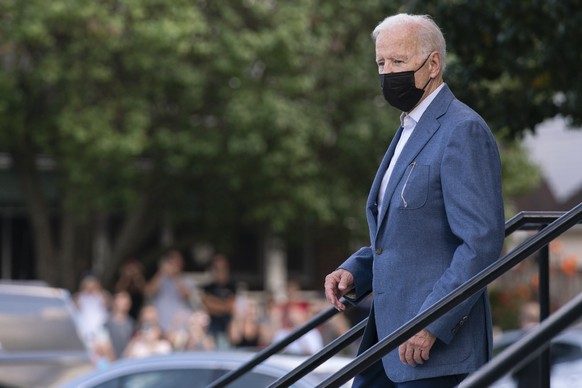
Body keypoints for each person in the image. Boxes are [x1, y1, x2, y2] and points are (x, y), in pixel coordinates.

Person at [324, 13, 505, 388]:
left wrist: (434, 323)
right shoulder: (409, 128)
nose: (387, 73)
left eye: (399, 62)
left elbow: (480, 242)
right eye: (381, 63)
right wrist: (357, 270)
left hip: (433, 352)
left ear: (433, 64)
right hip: (387, 343)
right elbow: (407, 233)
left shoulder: (462, 130)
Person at [144, 249, 194, 335]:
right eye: (171, 261)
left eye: (176, 261)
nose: (173, 264)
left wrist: (175, 276)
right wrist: (161, 272)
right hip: (160, 325)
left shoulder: (186, 279)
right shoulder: (160, 278)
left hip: (179, 325)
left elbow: (186, 296)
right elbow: (148, 292)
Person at [201, 254, 236, 350]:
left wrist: (214, 303)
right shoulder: (208, 287)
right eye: (217, 268)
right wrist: (223, 304)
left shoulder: (232, 286)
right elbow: (207, 306)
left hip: (228, 330)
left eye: (223, 268)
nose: (220, 271)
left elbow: (231, 307)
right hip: (210, 329)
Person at [103, 291, 136, 360]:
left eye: (126, 300)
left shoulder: (132, 324)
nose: (124, 303)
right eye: (121, 299)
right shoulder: (106, 324)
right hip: (111, 363)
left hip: (128, 361)